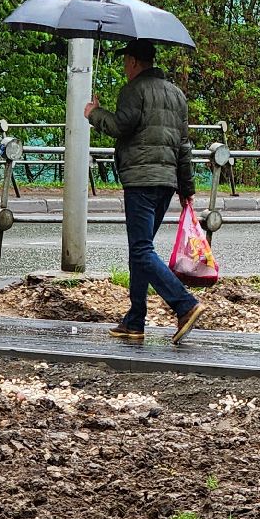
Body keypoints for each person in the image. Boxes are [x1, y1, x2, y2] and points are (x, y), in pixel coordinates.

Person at [84, 40, 207, 344]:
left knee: (140, 249)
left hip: (140, 179)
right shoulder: (177, 95)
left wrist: (94, 114)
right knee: (141, 250)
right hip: (165, 182)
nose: (125, 67)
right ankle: (135, 320)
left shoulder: (134, 90)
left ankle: (184, 304)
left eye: (126, 61)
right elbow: (183, 146)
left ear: (136, 62)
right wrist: (186, 187)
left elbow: (121, 125)